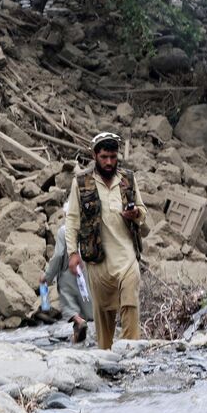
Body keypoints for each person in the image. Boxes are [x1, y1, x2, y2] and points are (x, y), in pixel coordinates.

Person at [64, 132, 148, 350]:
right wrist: (72, 253)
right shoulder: (81, 183)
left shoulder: (128, 180)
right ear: (95, 156)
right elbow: (72, 220)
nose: (109, 162)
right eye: (104, 157)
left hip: (127, 256)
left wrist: (135, 214)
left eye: (113, 157)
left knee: (130, 303)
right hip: (98, 260)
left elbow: (143, 211)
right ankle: (105, 355)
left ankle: (130, 352)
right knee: (103, 314)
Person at [41, 201, 94, 343]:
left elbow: (58, 255)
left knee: (69, 306)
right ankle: (79, 335)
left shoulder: (64, 231)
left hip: (68, 274)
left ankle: (78, 322)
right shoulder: (88, 230)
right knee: (84, 307)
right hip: (86, 275)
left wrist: (47, 276)